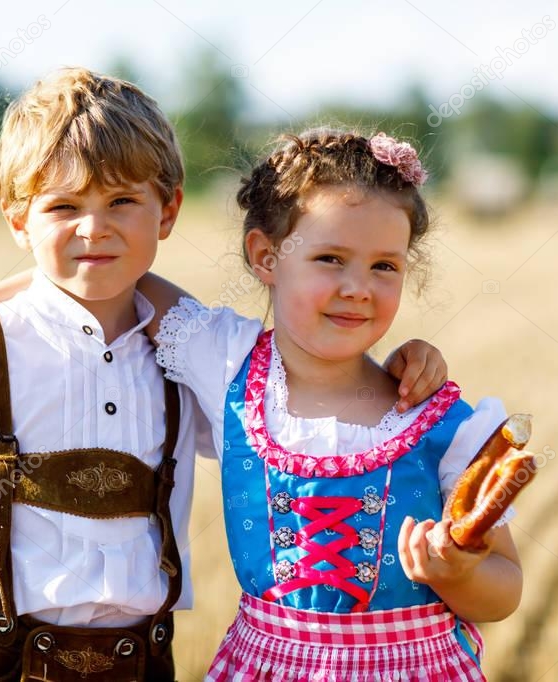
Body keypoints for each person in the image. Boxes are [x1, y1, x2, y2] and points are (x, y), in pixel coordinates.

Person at [0, 67, 450, 682]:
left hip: (147, 663)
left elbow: (314, 377)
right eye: (63, 207)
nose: (95, 228)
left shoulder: (195, 360)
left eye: (122, 201)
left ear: (168, 209)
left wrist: (411, 361)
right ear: (20, 222)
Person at [141, 128, 524, 680]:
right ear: (265, 256)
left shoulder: (442, 421)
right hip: (265, 663)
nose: (357, 288)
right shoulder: (225, 363)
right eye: (330, 258)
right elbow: (114, 274)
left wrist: (456, 572)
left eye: (384, 266)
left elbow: (505, 589)